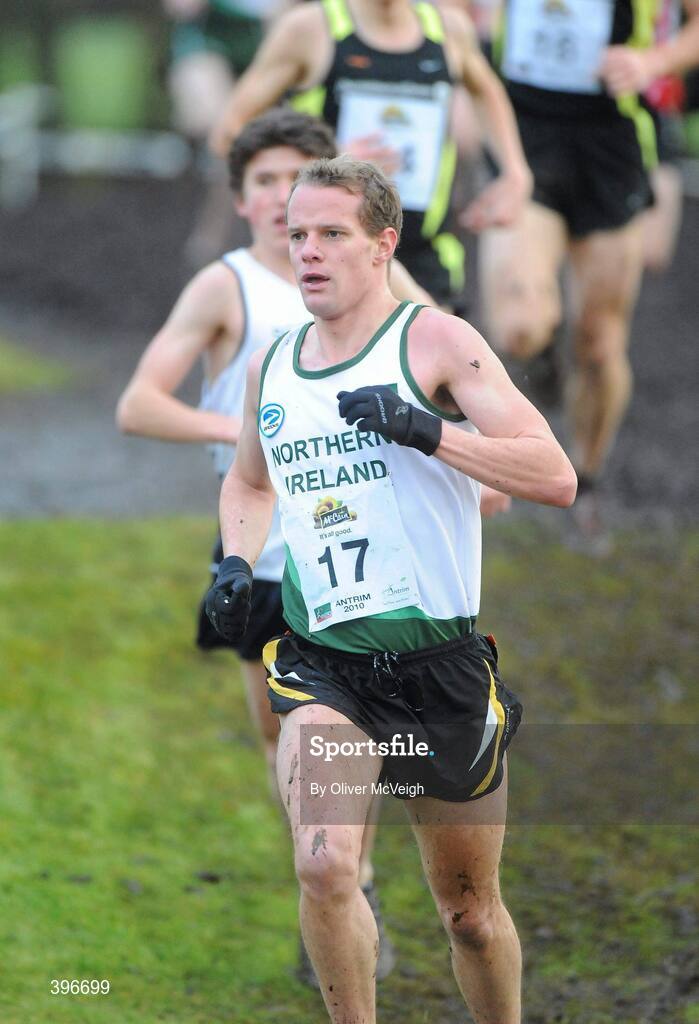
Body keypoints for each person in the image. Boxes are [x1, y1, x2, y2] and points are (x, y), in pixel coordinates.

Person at [204, 156, 576, 1023]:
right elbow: (251, 484)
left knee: (469, 915)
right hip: (326, 667)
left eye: (331, 233)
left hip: (436, 670)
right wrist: (233, 560)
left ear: (383, 244)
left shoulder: (437, 343)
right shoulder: (274, 368)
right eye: (297, 234)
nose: (308, 252)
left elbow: (552, 475)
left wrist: (426, 431)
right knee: (326, 862)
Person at [116, 107, 444, 984]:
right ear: (242, 197)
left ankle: (348, 882)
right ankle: (334, 881)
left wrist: (467, 467)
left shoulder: (375, 273)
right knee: (282, 738)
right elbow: (138, 405)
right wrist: (265, 426)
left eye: (293, 181)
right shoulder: (225, 287)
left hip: (367, 555)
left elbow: (446, 359)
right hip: (260, 552)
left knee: (345, 733)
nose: (276, 199)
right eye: (261, 183)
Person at [478, 0, 699, 546]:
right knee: (518, 326)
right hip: (525, 141)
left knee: (599, 344)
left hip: (611, 147)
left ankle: (587, 476)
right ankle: (544, 355)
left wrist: (655, 61)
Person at [209, 0, 532, 308]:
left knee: (441, 356)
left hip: (423, 250)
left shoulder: (448, 29)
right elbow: (228, 133)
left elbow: (486, 90)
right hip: (330, 248)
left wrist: (515, 171)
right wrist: (330, 160)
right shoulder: (311, 29)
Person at [163, 0, 279, 266]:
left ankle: (218, 242)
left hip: (268, 41)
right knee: (220, 128)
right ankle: (210, 242)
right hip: (208, 41)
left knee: (252, 144)